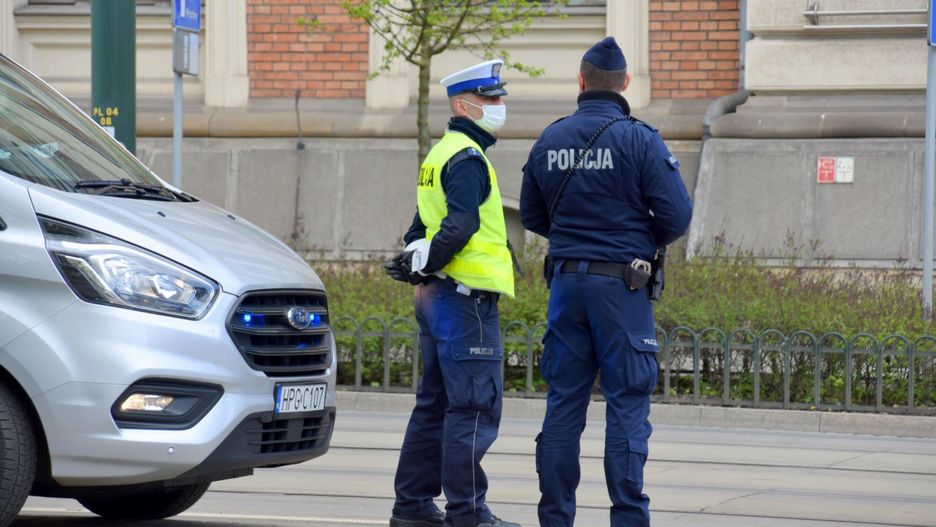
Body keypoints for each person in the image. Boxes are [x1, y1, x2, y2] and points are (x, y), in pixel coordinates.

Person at [519, 37, 693, 527]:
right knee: (627, 404)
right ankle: (628, 519)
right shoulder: (639, 139)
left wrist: (575, 239)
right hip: (622, 289)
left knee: (563, 407)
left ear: (580, 80)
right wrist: (636, 241)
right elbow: (677, 217)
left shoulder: (549, 138)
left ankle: (555, 518)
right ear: (626, 84)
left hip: (566, 286)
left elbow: (532, 213)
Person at [383, 59, 520, 527]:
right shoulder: (466, 157)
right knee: (474, 408)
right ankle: (469, 513)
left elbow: (423, 222)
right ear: (464, 105)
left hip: (436, 298)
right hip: (466, 301)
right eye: (490, 98)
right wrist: (430, 259)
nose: (499, 105)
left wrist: (415, 258)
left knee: (434, 405)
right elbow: (460, 225)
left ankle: (413, 506)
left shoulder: (440, 154)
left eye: (499, 97)